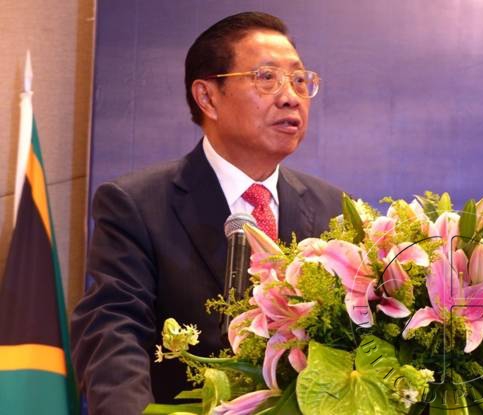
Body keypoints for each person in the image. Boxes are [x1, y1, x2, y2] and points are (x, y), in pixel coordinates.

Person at [71, 11, 344, 414]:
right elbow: (113, 331)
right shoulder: (137, 205)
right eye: (267, 77)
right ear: (208, 98)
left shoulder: (332, 209)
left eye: (299, 80)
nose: (290, 96)